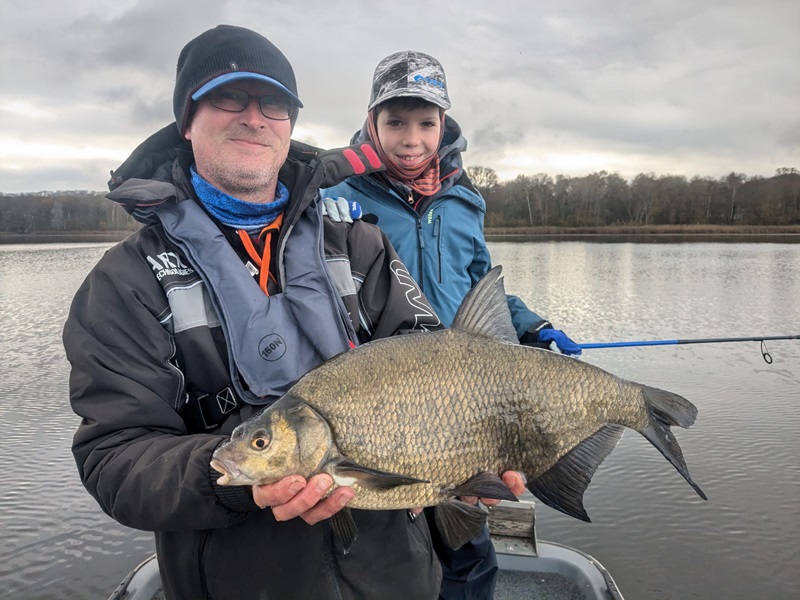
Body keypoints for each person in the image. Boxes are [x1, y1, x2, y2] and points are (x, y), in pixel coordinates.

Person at [64, 26, 524, 600]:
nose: (254, 118)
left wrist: (475, 454)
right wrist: (229, 476)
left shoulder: (361, 246)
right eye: (228, 97)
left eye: (274, 103)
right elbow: (113, 458)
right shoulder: (123, 283)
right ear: (187, 120)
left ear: (290, 124)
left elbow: (443, 365)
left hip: (398, 580)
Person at [322, 51, 582, 599]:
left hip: (464, 403)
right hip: (387, 405)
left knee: (468, 552)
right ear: (372, 124)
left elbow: (481, 284)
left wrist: (534, 327)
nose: (410, 138)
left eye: (425, 122)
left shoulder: (466, 201)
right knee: (391, 547)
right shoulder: (337, 199)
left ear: (444, 126)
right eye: (394, 122)